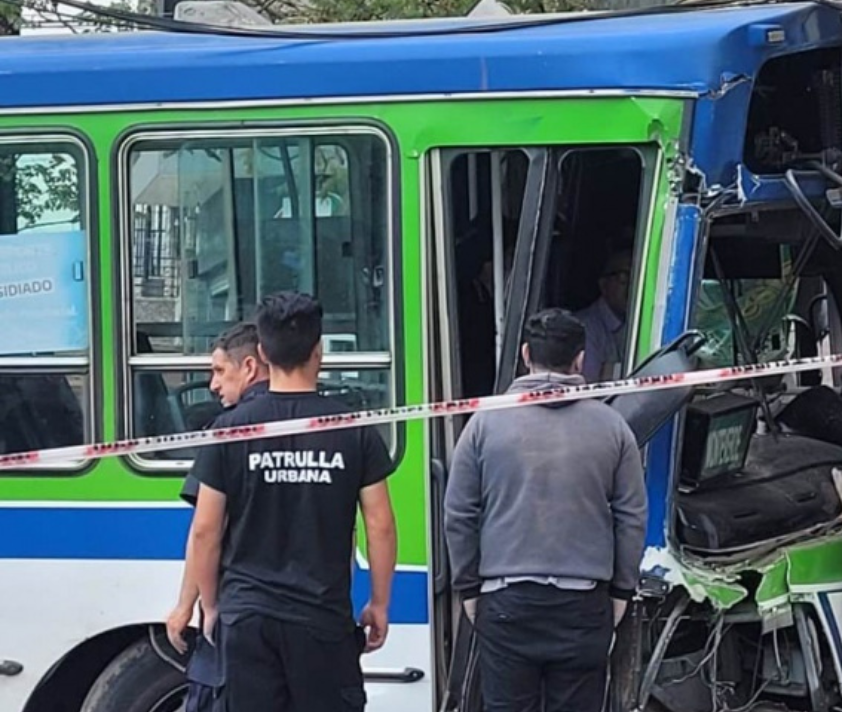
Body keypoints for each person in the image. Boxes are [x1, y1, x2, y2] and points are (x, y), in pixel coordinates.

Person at [186, 292, 398, 712]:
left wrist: (210, 606)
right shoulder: (353, 429)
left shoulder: (228, 430)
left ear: (262, 352)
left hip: (246, 619)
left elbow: (206, 530)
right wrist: (379, 602)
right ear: (319, 351)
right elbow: (380, 525)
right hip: (321, 620)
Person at [444, 308, 648, 712]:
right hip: (583, 606)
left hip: (506, 604)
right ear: (580, 359)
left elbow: (459, 513)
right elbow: (631, 517)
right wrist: (621, 590)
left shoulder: (484, 424)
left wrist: (468, 587)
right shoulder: (613, 427)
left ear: (524, 354)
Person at [166, 323, 271, 711]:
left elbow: (207, 531)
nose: (212, 385)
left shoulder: (226, 433)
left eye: (219, 371)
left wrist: (189, 606)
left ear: (249, 367)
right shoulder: (326, 425)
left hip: (236, 615)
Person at [575, 248, 633, 383]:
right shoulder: (586, 328)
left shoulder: (633, 323)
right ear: (604, 285)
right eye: (624, 278)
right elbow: (588, 386)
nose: (631, 286)